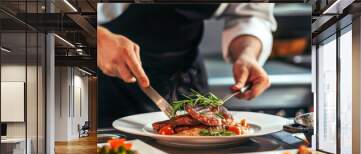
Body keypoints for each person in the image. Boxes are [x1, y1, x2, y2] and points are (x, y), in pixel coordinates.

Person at [97, 3, 277, 128]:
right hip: (105, 78)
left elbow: (250, 14)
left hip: (186, 76)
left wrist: (247, 53)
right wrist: (97, 38)